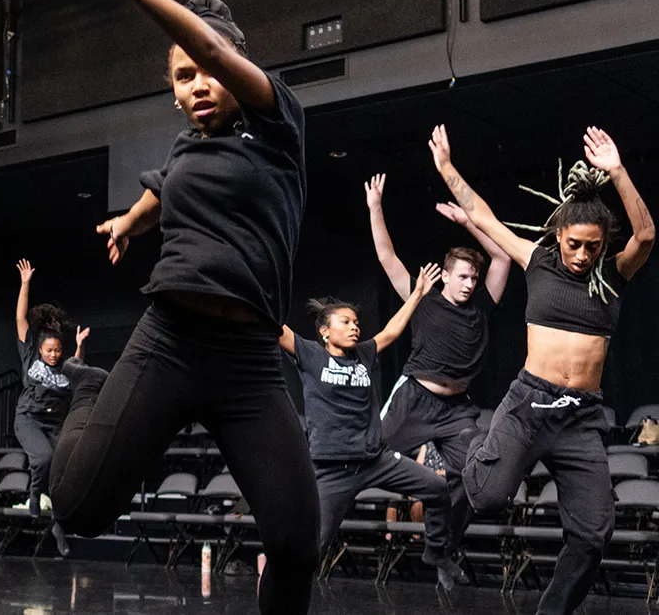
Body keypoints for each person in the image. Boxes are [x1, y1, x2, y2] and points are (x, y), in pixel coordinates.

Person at [33, 0, 317, 609]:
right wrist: (131, 222)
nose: (196, 86)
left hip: (247, 362)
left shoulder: (279, 124)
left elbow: (218, 53)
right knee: (76, 511)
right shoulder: (190, 144)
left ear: (238, 68)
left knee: (298, 539)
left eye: (206, 71)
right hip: (170, 343)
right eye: (181, 77)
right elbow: (165, 186)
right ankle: (87, 393)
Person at [431, 124, 653, 615]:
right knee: (488, 498)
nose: (581, 255)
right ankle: (471, 452)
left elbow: (648, 233)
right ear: (558, 235)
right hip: (530, 404)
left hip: (581, 419)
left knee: (594, 534)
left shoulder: (614, 276)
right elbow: (483, 218)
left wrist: (616, 170)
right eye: (574, 244)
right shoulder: (538, 261)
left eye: (592, 246)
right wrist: (447, 170)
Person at [280, 265, 465, 589]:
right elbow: (274, 327)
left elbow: (391, 332)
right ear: (325, 331)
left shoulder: (363, 354)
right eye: (346, 322)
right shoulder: (310, 355)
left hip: (375, 460)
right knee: (314, 550)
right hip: (332, 469)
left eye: (356, 322)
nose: (355, 328)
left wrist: (418, 293)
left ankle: (436, 553)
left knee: (437, 489)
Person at [366, 173, 511, 546]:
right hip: (415, 398)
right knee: (366, 457)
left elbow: (502, 254)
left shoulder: (482, 302)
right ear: (444, 275)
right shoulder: (423, 299)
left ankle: (441, 545)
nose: (469, 284)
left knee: (473, 476)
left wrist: (468, 221)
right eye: (462, 276)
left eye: (473, 278)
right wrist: (375, 207)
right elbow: (387, 256)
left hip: (456, 410)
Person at [12, 259, 87, 556]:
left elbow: (79, 365)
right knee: (43, 458)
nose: (54, 354)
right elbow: (20, 319)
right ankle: (33, 495)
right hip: (28, 419)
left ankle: (58, 527)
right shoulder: (30, 356)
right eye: (49, 350)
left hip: (54, 425)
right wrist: (26, 283)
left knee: (61, 471)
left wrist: (79, 344)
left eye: (58, 350)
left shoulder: (66, 368)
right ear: (40, 349)